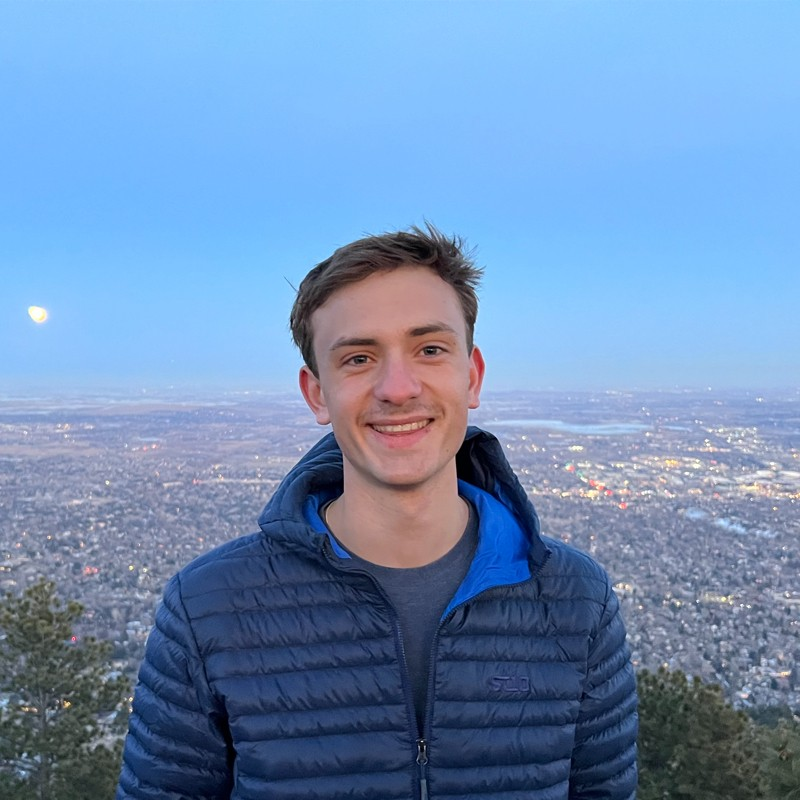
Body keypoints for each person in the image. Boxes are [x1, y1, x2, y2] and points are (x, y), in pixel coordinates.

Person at [117, 224, 638, 800]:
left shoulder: (575, 601)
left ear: (472, 376)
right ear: (317, 393)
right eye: (359, 358)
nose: (398, 387)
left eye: (430, 349)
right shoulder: (210, 607)